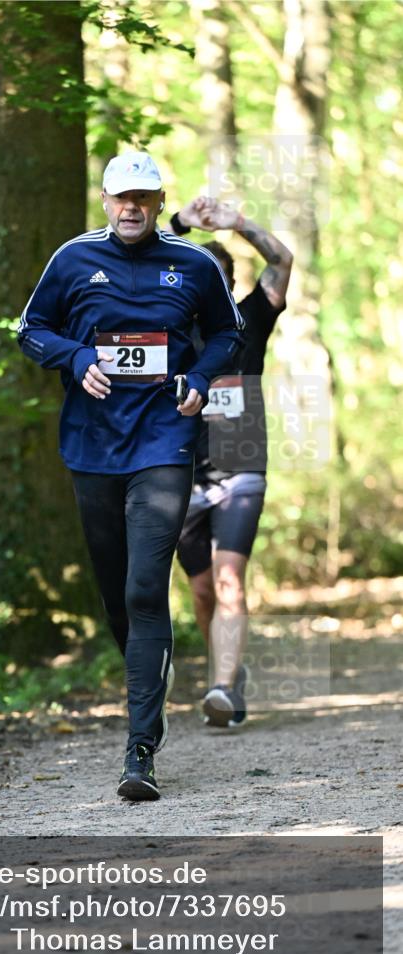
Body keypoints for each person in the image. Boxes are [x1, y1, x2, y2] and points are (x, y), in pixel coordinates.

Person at [18, 153, 244, 801]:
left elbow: (228, 334)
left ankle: (139, 750)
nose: (131, 208)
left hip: (163, 440)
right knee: (118, 596)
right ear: (105, 197)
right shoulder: (71, 259)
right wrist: (75, 354)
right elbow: (29, 330)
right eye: (121, 197)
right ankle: (151, 671)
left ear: (157, 199)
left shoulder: (194, 264)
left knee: (147, 587)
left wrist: (199, 378)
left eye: (143, 198)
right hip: (91, 446)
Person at [169, 196, 293, 728]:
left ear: (230, 282)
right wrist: (179, 224)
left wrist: (237, 223)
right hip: (181, 475)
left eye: (220, 277)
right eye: (203, 278)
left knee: (228, 581)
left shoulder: (251, 320)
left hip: (242, 469)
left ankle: (222, 687)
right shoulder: (171, 334)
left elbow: (282, 260)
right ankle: (229, 667)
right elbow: (125, 258)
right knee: (201, 591)